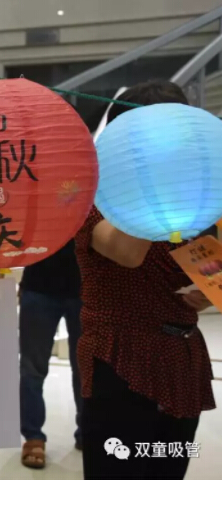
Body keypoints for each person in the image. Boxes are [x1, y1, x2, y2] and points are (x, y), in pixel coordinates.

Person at [75, 80, 216, 480]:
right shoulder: (94, 201)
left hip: (183, 357)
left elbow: (210, 264)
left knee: (168, 480)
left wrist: (208, 291)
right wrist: (155, 176)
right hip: (120, 358)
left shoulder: (195, 200)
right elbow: (129, 253)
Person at [19, 239, 83, 469]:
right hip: (39, 285)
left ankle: (87, 430)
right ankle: (33, 436)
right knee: (32, 369)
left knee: (87, 368)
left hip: (86, 287)